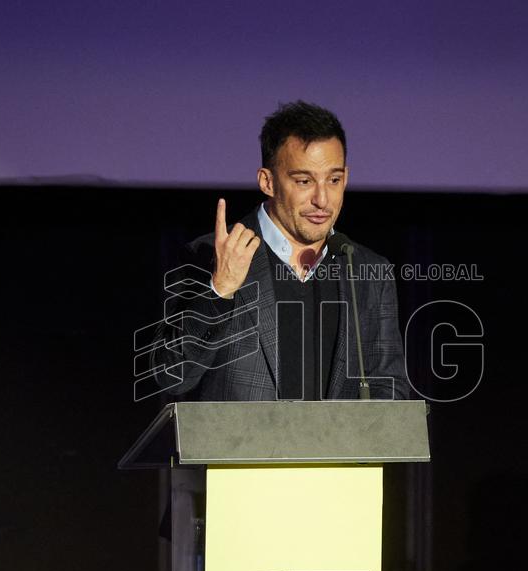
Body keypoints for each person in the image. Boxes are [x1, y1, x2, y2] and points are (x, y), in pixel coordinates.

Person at [151, 100, 409, 401]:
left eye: (334, 180)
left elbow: (391, 390)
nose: (322, 199)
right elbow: (172, 378)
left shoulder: (367, 271)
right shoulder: (210, 255)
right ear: (268, 182)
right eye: (304, 181)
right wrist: (219, 291)